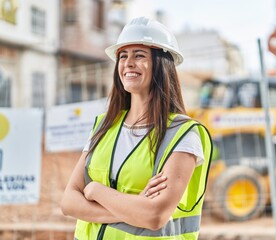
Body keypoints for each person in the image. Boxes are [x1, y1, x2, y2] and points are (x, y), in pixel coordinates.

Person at [61, 16, 213, 240]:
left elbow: (153, 216)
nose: (128, 63)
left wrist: (96, 191)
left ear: (162, 64)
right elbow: (68, 202)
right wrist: (133, 208)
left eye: (139, 55)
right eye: (123, 56)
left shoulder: (182, 135)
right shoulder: (104, 126)